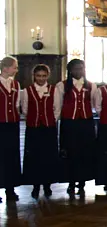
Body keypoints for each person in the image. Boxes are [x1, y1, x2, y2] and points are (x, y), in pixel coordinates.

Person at [57, 59, 98, 195]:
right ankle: (71, 181)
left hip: (86, 123)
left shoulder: (91, 86)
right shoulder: (62, 86)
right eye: (75, 68)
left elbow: (95, 104)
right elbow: (58, 105)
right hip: (69, 124)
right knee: (71, 152)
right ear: (70, 70)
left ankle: (82, 181)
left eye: (81, 68)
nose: (78, 71)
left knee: (85, 152)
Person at [21, 64, 60, 198]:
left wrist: (50, 121)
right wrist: (35, 119)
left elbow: (57, 109)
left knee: (48, 157)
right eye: (38, 76)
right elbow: (25, 109)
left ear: (47, 76)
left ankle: (47, 185)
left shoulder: (54, 90)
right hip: (34, 129)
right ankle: (35, 185)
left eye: (44, 76)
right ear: (34, 76)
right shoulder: (27, 91)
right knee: (34, 158)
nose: (41, 79)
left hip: (49, 129)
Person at [0, 56, 21, 203]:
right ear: (6, 68)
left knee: (11, 156)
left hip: (12, 124)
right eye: (14, 67)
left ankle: (10, 188)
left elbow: (17, 103)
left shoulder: (16, 84)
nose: (16, 70)